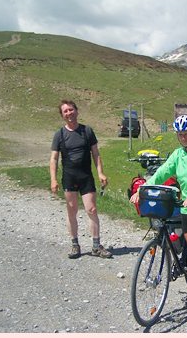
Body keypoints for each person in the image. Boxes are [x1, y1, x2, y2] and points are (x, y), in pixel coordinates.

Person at [130, 114, 187, 318]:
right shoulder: (178, 155)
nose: (183, 137)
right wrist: (142, 189)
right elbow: (162, 173)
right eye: (180, 134)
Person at [50, 100, 112, 259]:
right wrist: (53, 180)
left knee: (91, 209)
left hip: (86, 176)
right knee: (72, 210)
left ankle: (96, 246)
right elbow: (54, 159)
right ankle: (75, 244)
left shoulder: (87, 131)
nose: (69, 113)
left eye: (71, 110)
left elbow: (96, 154)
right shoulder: (60, 134)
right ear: (62, 115)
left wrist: (100, 173)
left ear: (76, 111)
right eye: (65, 111)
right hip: (69, 177)